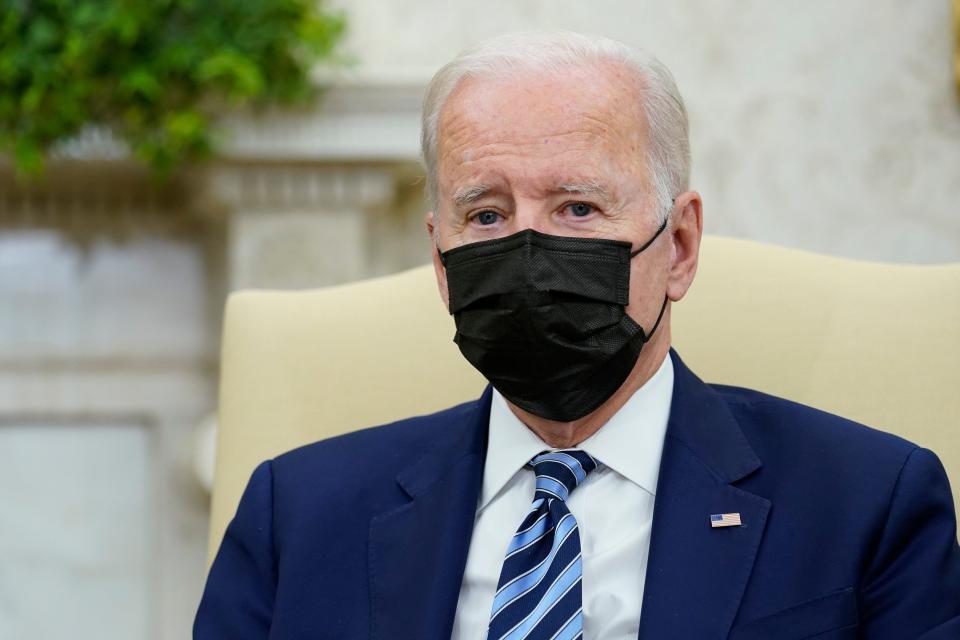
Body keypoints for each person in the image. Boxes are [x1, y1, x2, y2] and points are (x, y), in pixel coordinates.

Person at [194, 31, 960, 639]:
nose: (528, 252)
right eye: (487, 215)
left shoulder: (867, 503)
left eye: (578, 209)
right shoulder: (296, 515)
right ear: (440, 259)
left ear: (681, 246)